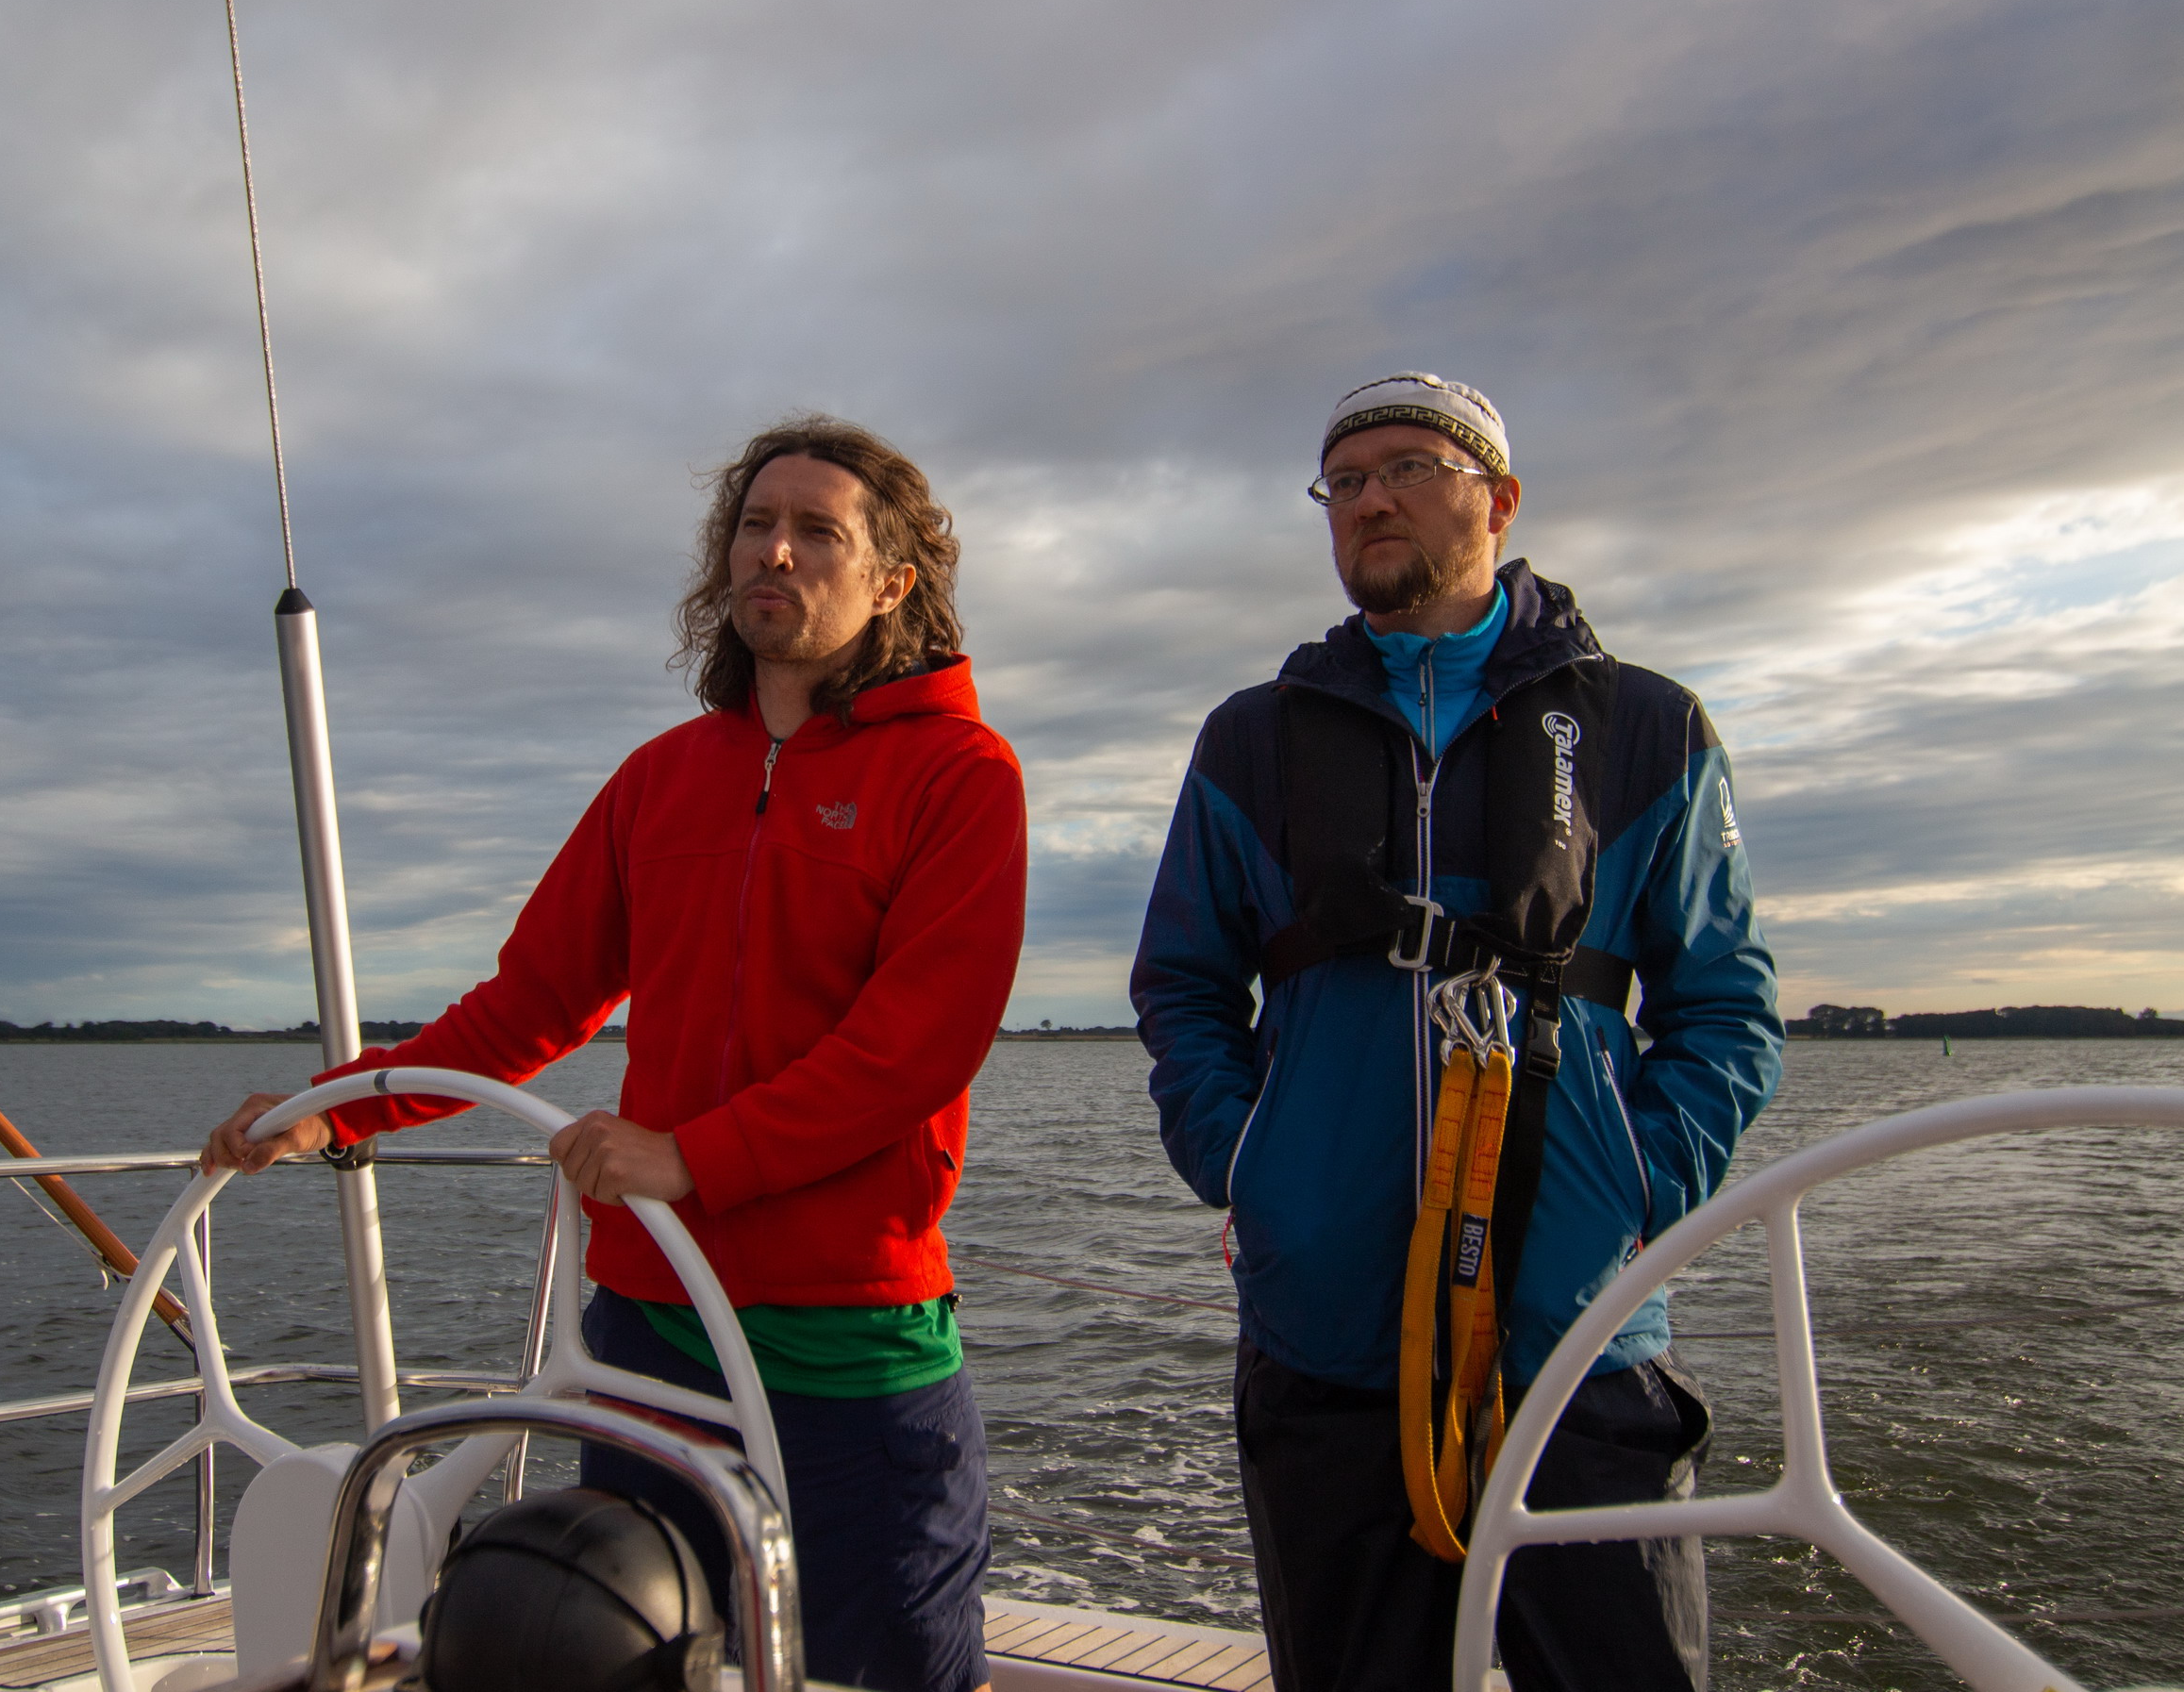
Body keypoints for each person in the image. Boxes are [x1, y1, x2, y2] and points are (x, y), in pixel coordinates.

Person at [203, 416, 1025, 1692]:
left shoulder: (959, 774)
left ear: (892, 582)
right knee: (637, 1666)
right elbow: (531, 1001)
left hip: (848, 1339)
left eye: (818, 531)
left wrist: (695, 1156)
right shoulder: (660, 779)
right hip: (652, 1334)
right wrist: (338, 1108)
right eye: (757, 524)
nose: (777, 551)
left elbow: (915, 1047)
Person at [1132, 373, 1781, 1692]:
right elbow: (1185, 987)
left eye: (1409, 468)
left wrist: (1639, 1189)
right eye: (1345, 481)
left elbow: (1724, 1004)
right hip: (1326, 1343)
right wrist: (1252, 1165)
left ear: (1501, 499)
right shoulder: (1251, 740)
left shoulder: (1648, 728)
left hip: (1578, 1341)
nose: (1371, 499)